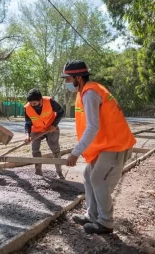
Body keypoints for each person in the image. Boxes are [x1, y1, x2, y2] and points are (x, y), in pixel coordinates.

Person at [62, 60, 136, 234]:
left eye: (67, 78)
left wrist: (75, 152)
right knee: (89, 175)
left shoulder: (90, 94)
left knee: (98, 179)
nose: (66, 82)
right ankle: (92, 215)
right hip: (106, 145)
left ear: (78, 78)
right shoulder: (85, 91)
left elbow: (92, 126)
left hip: (116, 144)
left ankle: (106, 222)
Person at [24, 88, 65, 179]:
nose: (32, 105)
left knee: (55, 150)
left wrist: (54, 125)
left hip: (51, 128)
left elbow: (61, 112)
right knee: (35, 150)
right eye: (31, 103)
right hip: (37, 130)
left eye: (34, 103)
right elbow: (27, 123)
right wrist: (27, 135)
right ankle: (38, 172)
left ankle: (59, 172)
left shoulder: (50, 101)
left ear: (40, 100)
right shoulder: (27, 108)